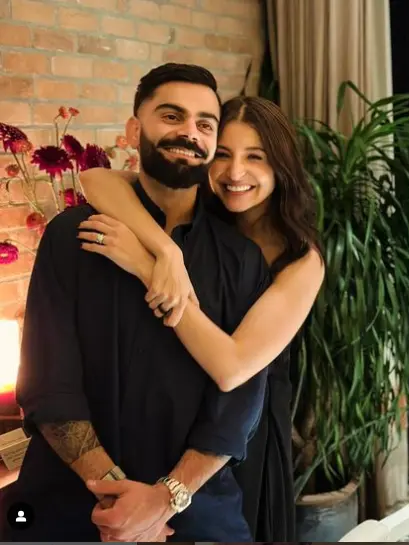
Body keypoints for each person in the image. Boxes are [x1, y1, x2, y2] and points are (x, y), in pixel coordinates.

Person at [6, 64, 272, 543]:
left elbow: (237, 406)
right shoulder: (71, 236)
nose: (189, 133)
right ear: (134, 129)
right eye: (171, 116)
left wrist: (163, 500)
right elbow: (50, 386)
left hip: (195, 511)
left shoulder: (243, 260)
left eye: (204, 124)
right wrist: (118, 500)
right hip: (70, 505)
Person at [78, 95, 325, 541]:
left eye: (256, 158)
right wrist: (168, 250)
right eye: (224, 155)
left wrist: (146, 265)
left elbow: (232, 368)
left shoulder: (300, 259)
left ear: (282, 165)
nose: (235, 174)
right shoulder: (202, 216)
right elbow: (96, 180)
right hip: (174, 404)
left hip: (244, 426)